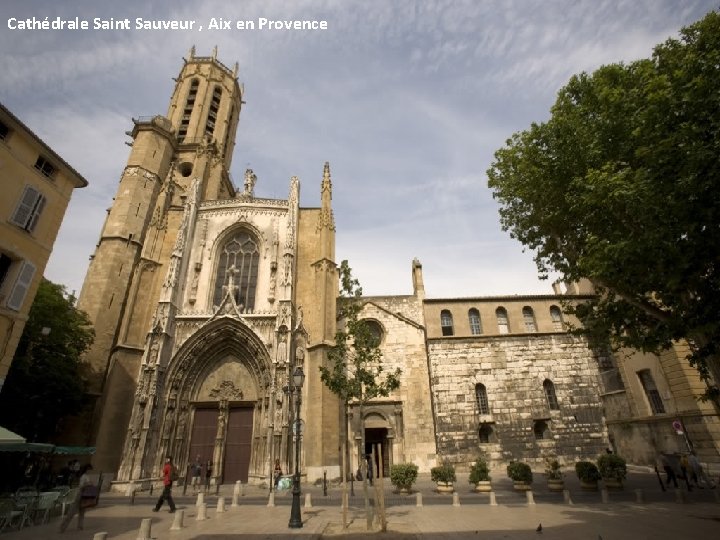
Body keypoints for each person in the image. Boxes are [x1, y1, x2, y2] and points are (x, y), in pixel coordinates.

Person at [59, 464, 94, 532]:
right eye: (90, 470)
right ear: (87, 469)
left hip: (84, 495)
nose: (90, 471)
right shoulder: (83, 476)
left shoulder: (86, 476)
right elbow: (81, 486)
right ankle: (63, 526)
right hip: (80, 494)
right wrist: (88, 484)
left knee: (82, 511)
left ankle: (80, 526)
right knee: (72, 511)